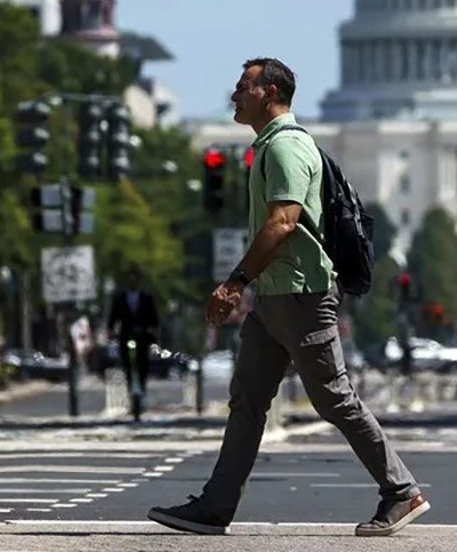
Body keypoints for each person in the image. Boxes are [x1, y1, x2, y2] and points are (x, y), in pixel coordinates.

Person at [148, 57, 429, 537]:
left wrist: (234, 282)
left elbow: (282, 222)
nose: (234, 96)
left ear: (270, 93)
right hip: (274, 299)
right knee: (247, 402)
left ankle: (401, 491)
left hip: (301, 296)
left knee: (335, 400)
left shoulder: (286, 148)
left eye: (243, 87)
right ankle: (215, 506)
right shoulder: (268, 148)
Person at [107, 267, 159, 403]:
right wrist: (111, 330)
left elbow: (153, 317)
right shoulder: (120, 297)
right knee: (127, 363)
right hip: (126, 335)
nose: (132, 281)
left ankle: (142, 388)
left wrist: (152, 330)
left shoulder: (146, 297)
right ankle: (131, 388)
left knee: (142, 363)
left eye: (134, 278)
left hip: (142, 336)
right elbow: (113, 316)